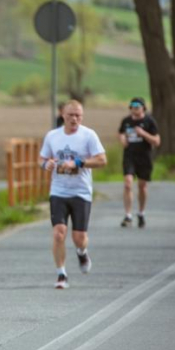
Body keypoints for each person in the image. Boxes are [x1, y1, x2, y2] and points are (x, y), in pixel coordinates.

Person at [40, 100, 107, 289]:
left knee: (79, 236)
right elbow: (42, 158)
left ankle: (82, 251)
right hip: (58, 191)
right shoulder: (53, 136)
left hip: (81, 192)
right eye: (71, 115)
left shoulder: (89, 135)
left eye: (78, 115)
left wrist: (77, 163)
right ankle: (61, 274)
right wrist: (47, 164)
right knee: (59, 234)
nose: (75, 119)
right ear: (63, 115)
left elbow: (102, 160)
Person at [118, 97, 160, 228]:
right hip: (129, 156)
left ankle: (141, 213)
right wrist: (122, 139)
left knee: (142, 186)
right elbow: (120, 133)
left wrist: (143, 133)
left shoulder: (149, 121)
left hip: (144, 157)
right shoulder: (126, 121)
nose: (135, 107)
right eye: (132, 105)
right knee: (128, 183)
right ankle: (128, 215)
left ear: (143, 107)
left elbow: (157, 141)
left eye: (138, 105)